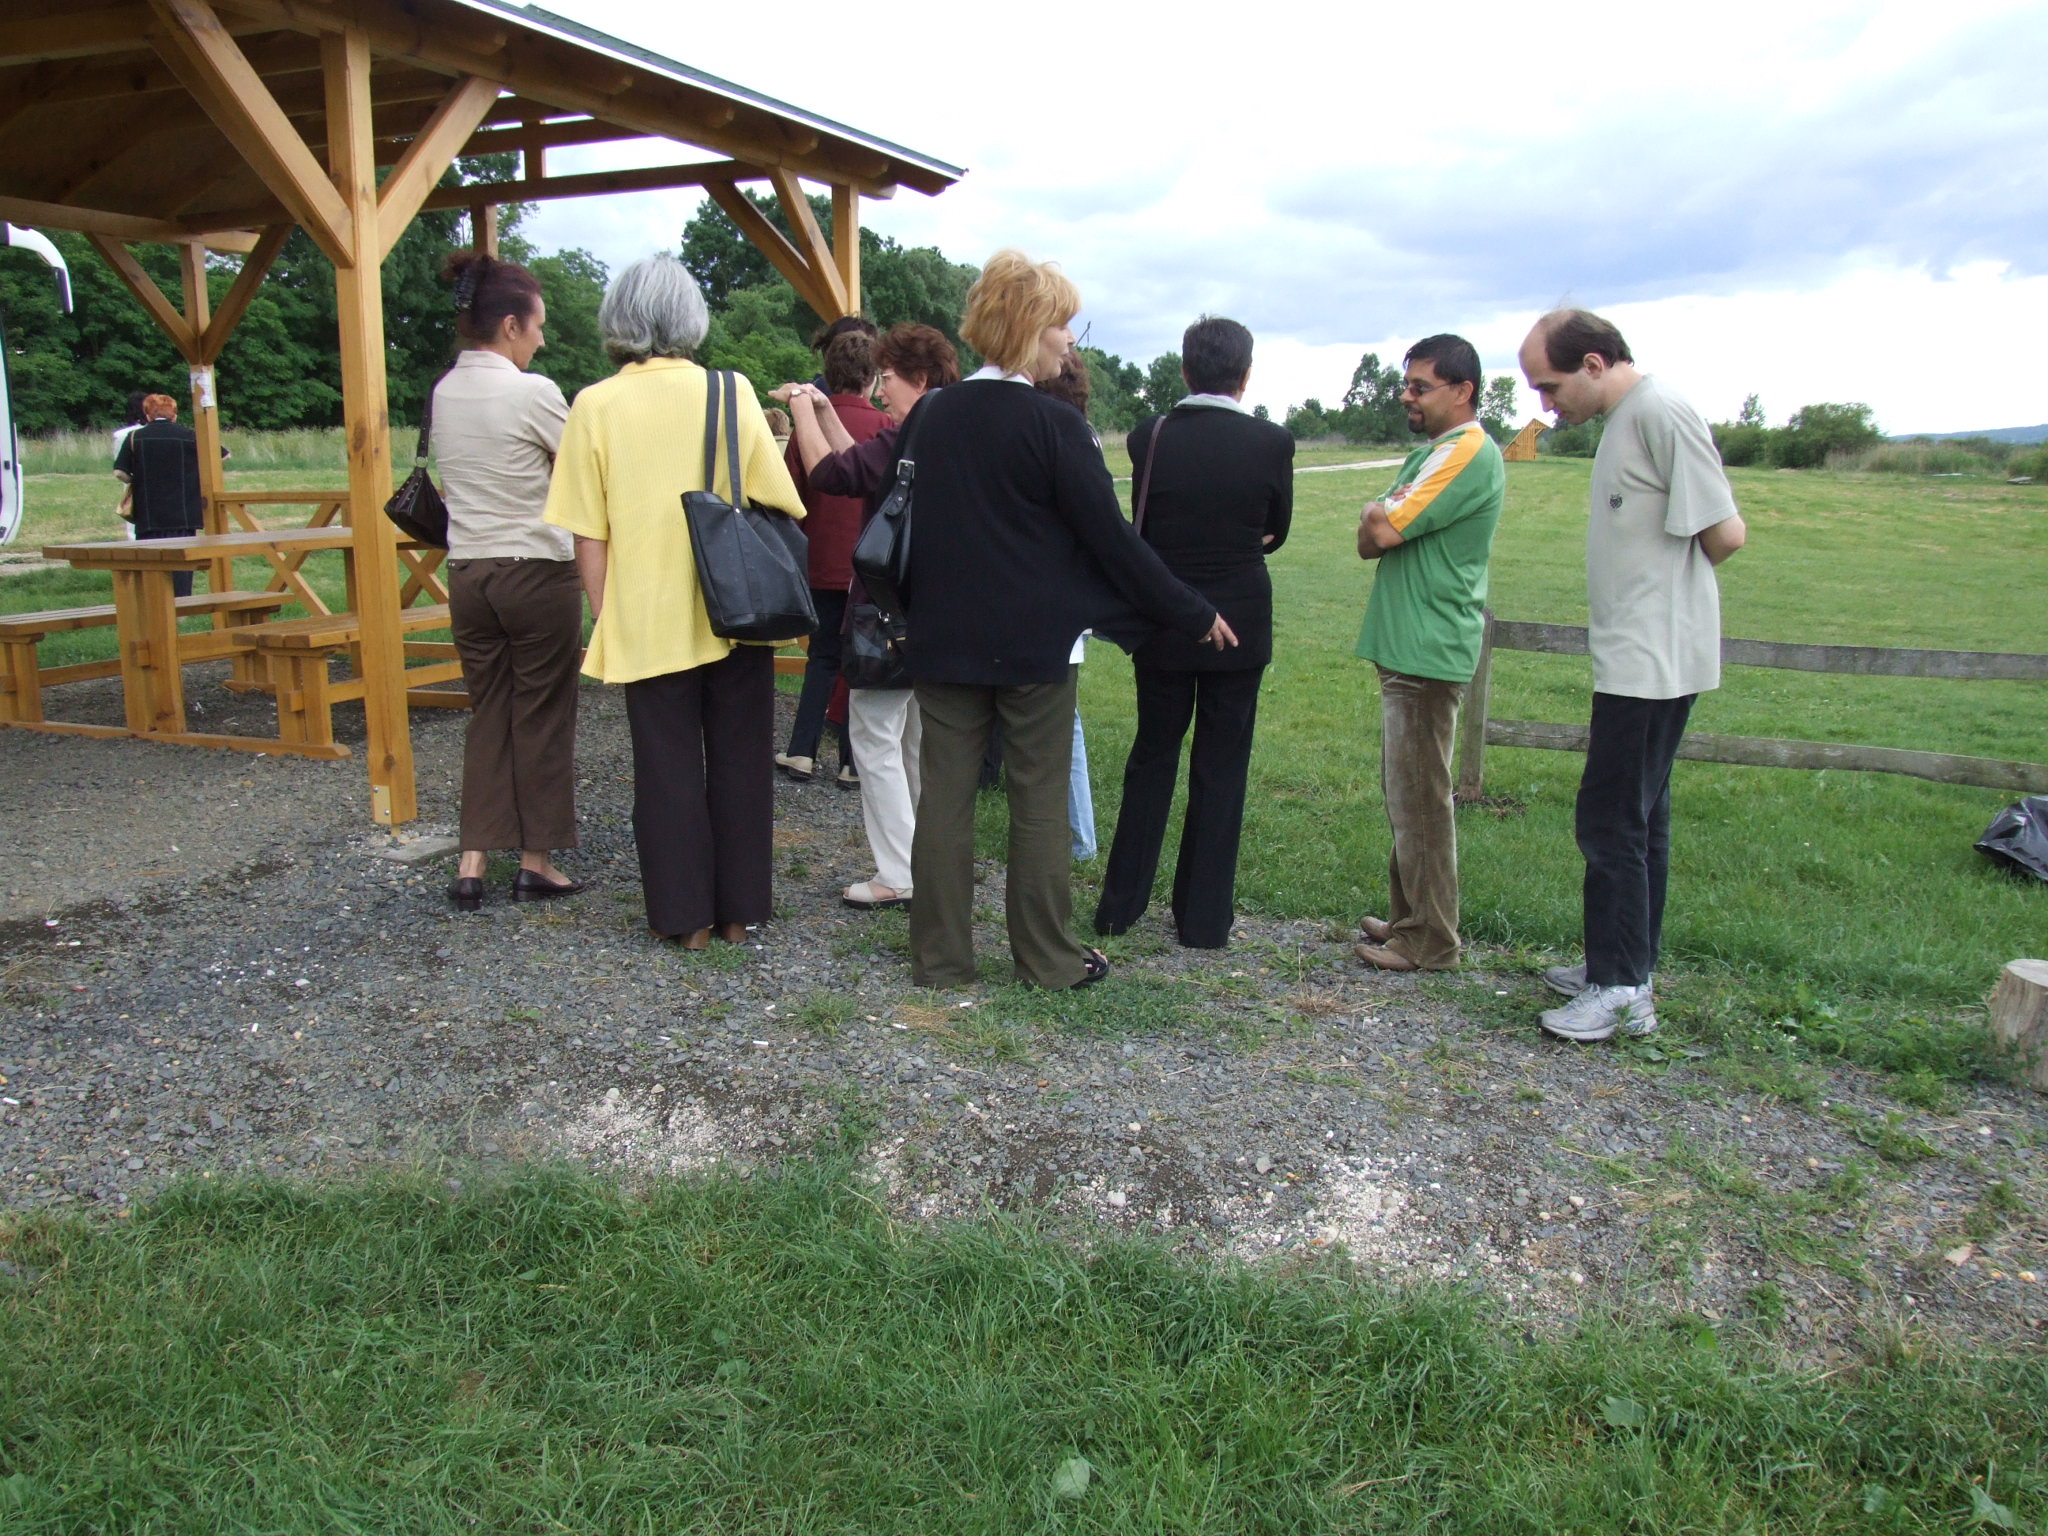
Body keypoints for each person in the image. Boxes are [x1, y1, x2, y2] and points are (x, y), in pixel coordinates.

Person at [897, 249, 1234, 990]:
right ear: (1029, 328)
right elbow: (1111, 541)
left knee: (944, 800)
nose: (1069, 342)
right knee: (1039, 802)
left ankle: (941, 960)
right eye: (1062, 327)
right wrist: (1190, 610)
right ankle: (1046, 960)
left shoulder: (930, 413)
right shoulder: (1053, 424)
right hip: (1036, 646)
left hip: (943, 637)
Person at [544, 254, 805, 949]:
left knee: (665, 771)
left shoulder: (594, 405)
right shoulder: (732, 389)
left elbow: (587, 532)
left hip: (646, 612)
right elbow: (779, 498)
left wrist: (607, 614)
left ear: (619, 319)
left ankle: (685, 918)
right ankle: (738, 911)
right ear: (690, 316)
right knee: (742, 761)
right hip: (737, 608)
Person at [1517, 308, 1747, 1041]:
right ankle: (1623, 966)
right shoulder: (1626, 418)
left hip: (1653, 659)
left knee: (1611, 819)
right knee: (1639, 818)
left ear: (1593, 363)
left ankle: (1619, 991)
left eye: (1550, 386)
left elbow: (1726, 533)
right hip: (1635, 655)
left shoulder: (1660, 410)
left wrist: (1661, 598)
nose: (1546, 404)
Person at [1094, 315, 1294, 948]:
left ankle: (1120, 906)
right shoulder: (1273, 442)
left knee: (1152, 755)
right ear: (1246, 375)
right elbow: (1277, 530)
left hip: (1166, 616)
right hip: (1242, 618)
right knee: (1222, 767)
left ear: (1185, 370)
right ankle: (1204, 921)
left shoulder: (1149, 436)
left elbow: (1144, 524)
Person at [776, 323, 962, 910]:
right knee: (911, 739)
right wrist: (825, 410)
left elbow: (831, 474)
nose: (880, 391)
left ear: (919, 378)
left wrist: (801, 405)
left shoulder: (919, 432)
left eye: (888, 379)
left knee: (875, 735)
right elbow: (859, 463)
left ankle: (899, 872)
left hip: (892, 611)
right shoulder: (942, 427)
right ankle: (924, 859)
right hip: (935, 608)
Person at [432, 251, 584, 913]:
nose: (542, 339)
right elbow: (583, 468)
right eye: (539, 326)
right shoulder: (533, 392)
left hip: (468, 572)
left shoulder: (444, 390)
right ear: (512, 325)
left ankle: (472, 860)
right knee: (542, 715)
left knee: (488, 712)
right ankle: (535, 861)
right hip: (536, 571)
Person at [1351, 335, 1506, 972]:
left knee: (1420, 796)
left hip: (1427, 646)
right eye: (1406, 384)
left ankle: (1432, 941)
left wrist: (1377, 510)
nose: (1406, 396)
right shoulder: (1433, 453)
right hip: (1410, 645)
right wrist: (1378, 518)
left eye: (1421, 386)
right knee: (1407, 791)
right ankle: (1410, 918)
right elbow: (1369, 541)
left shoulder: (1466, 450)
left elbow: (1382, 526)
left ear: (1463, 391)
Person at [775, 329, 889, 789]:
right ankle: (852, 763)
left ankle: (802, 751)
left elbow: (790, 495)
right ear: (871, 377)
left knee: (821, 657)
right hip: (869, 565)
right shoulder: (885, 428)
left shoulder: (809, 425)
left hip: (820, 560)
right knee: (862, 663)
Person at [1033, 353, 1103, 862]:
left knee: (1064, 725)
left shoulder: (1064, 439)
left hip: (1053, 599)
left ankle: (1080, 838)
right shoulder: (1083, 437)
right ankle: (1078, 837)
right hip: (1065, 597)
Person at [113, 394, 203, 597]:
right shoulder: (190, 436)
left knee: (151, 564)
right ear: (174, 414)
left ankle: (155, 605)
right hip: (183, 513)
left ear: (147, 414)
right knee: (181, 567)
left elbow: (120, 472)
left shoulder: (135, 437)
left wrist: (135, 479)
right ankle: (181, 606)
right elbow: (223, 455)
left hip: (148, 513)